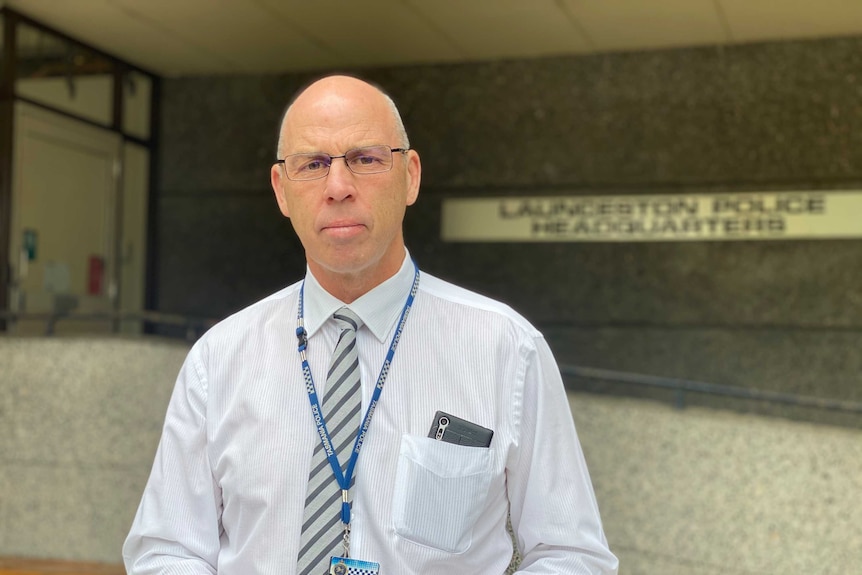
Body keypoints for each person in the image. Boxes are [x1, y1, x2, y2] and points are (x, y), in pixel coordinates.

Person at [123, 74, 618, 574]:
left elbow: (570, 555)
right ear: (280, 189)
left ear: (411, 176)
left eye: (365, 159)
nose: (338, 187)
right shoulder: (218, 359)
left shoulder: (507, 350)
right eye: (312, 164)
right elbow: (169, 550)